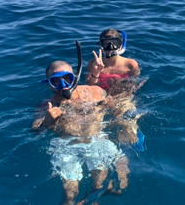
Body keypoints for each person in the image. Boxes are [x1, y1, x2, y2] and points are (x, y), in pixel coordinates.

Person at [32, 60, 131, 205]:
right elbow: (35, 131)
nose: (63, 86)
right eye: (56, 81)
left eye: (67, 79)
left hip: (97, 140)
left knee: (101, 184)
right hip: (67, 146)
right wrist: (47, 122)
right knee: (70, 194)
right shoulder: (46, 106)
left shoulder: (95, 92)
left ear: (75, 77)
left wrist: (124, 122)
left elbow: (115, 108)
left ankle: (91, 199)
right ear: (49, 84)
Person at [86, 29, 140, 95]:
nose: (110, 47)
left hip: (122, 98)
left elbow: (133, 87)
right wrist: (96, 72)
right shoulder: (93, 64)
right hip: (99, 96)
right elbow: (88, 87)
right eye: (106, 44)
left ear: (120, 46)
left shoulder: (131, 64)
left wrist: (118, 99)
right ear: (101, 46)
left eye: (115, 43)